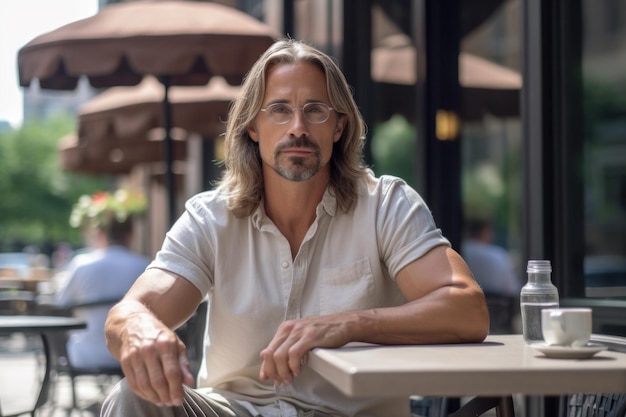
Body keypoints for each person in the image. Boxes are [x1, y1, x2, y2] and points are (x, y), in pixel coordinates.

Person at [101, 39, 489, 417]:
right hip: (233, 409)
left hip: (348, 412)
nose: (298, 127)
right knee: (130, 399)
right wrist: (139, 329)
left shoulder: (386, 205)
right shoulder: (210, 218)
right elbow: (130, 311)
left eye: (316, 110)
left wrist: (347, 324)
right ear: (253, 126)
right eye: (280, 110)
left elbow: (468, 310)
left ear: (339, 126)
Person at [55, 190, 150, 368]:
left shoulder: (81, 264)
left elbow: (61, 302)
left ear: (101, 233)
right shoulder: (145, 265)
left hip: (85, 354)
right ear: (131, 233)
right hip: (134, 355)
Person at [461, 218, 521, 297]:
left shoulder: (458, 253)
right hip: (497, 308)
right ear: (484, 232)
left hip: (463, 305)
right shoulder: (498, 255)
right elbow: (513, 289)